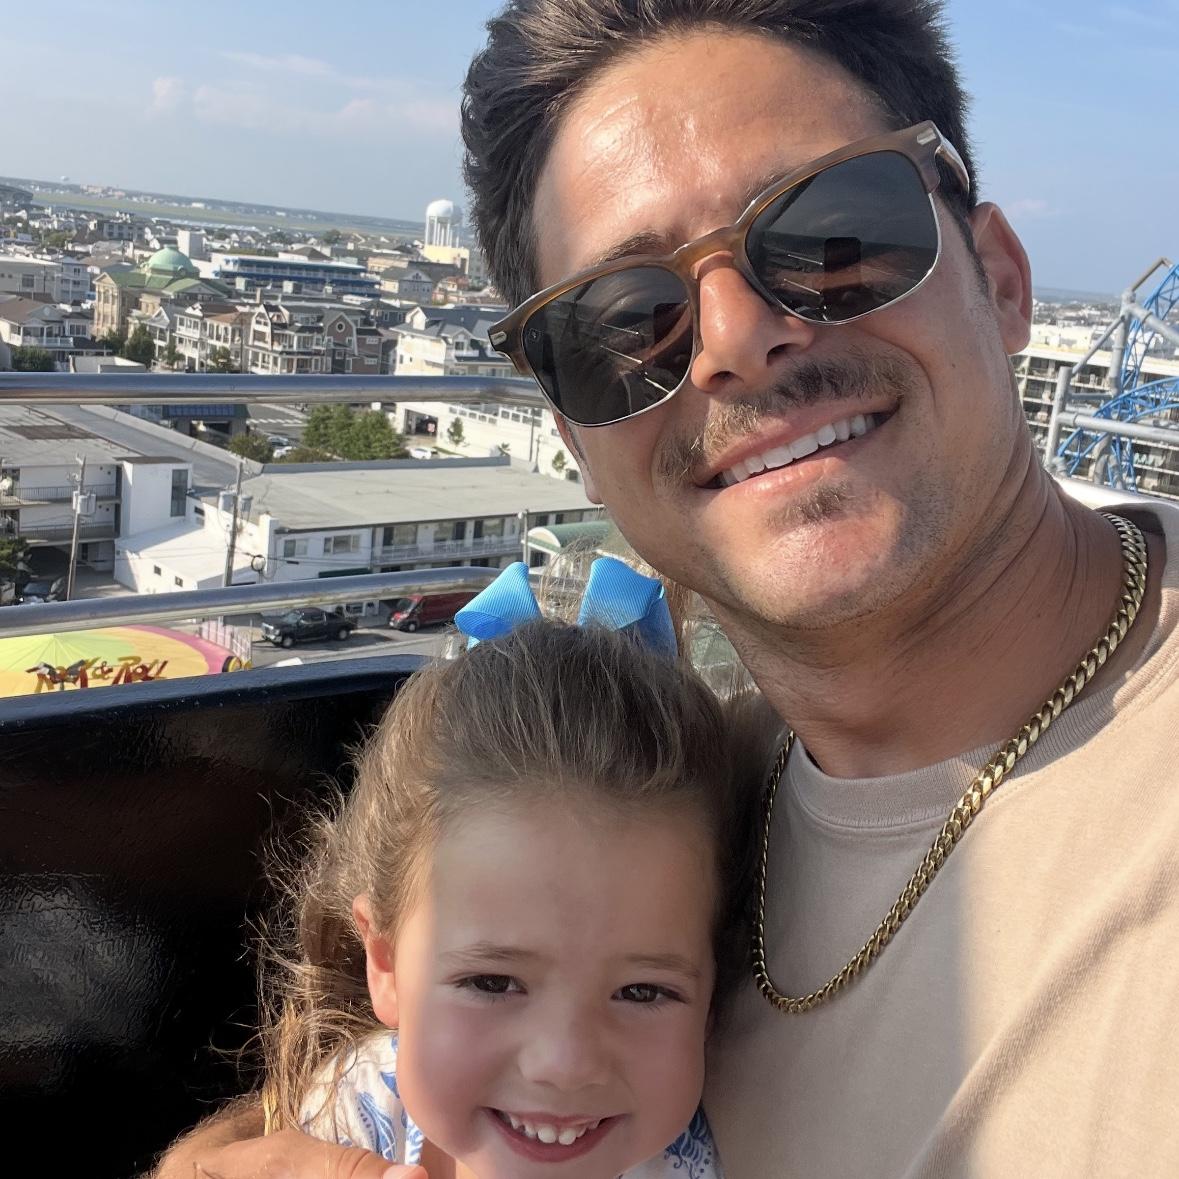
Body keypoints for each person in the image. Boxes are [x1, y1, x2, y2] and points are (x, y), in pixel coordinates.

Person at [159, 1, 1179, 1176]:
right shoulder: (686, 784)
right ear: (577, 438)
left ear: (1000, 279)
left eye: (834, 233)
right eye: (627, 322)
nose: (735, 338)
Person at [254, 560, 764, 1179]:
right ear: (385, 964)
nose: (565, 1064)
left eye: (642, 992)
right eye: (492, 983)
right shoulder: (351, 1115)